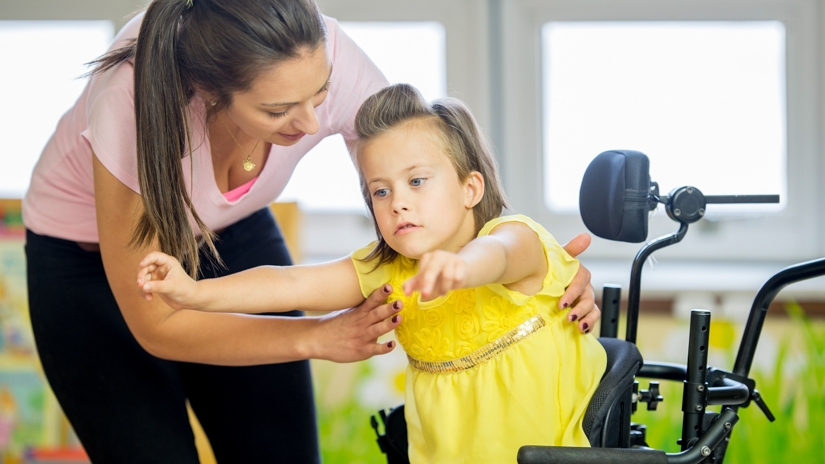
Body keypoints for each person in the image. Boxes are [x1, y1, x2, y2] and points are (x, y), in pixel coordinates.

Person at [22, 0, 600, 462]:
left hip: (228, 233)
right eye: (278, 112)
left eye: (320, 95)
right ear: (211, 96)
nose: (311, 122)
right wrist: (314, 336)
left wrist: (543, 270)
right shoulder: (132, 102)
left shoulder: (321, 52)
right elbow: (161, 322)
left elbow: (434, 167)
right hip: (84, 264)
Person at [136, 83, 608, 463]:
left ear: (470, 188)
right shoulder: (390, 269)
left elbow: (500, 254)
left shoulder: (517, 235)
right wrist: (194, 291)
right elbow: (291, 283)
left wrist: (461, 267)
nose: (397, 200)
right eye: (379, 192)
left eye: (417, 181)